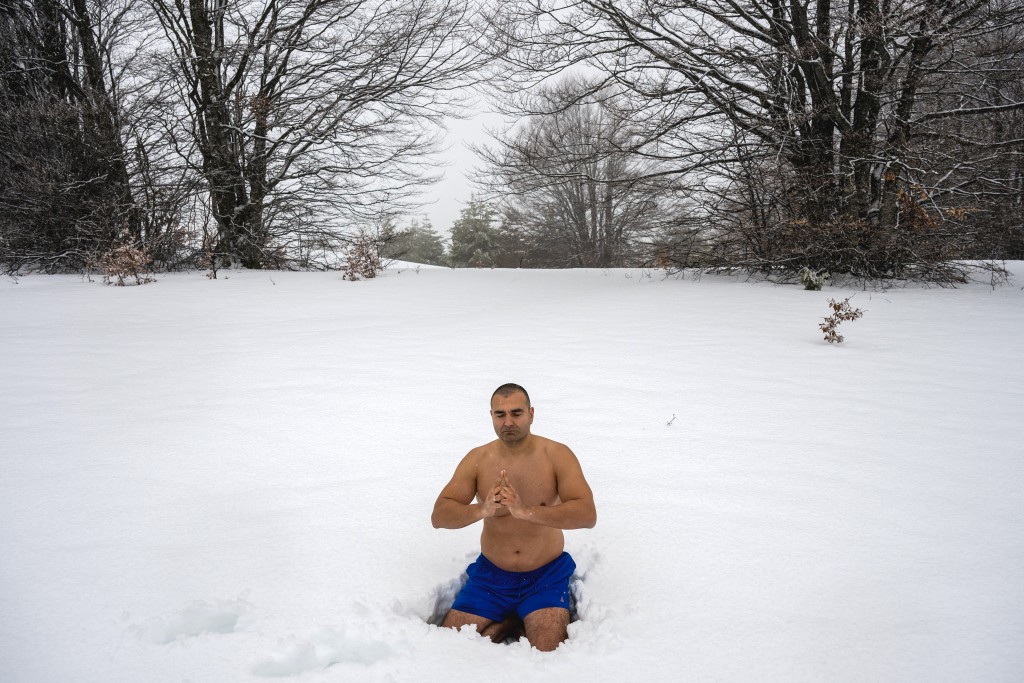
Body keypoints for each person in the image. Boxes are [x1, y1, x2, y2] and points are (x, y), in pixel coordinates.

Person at [431, 383, 597, 651]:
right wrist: (482, 509)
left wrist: (525, 512)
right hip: (491, 577)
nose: (508, 421)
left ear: (531, 414)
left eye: (516, 413)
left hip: (546, 575)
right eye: (500, 414)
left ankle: (515, 621)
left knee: (547, 650)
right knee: (449, 645)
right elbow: (439, 516)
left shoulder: (556, 455)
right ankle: (511, 623)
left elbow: (587, 514)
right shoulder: (478, 458)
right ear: (491, 416)